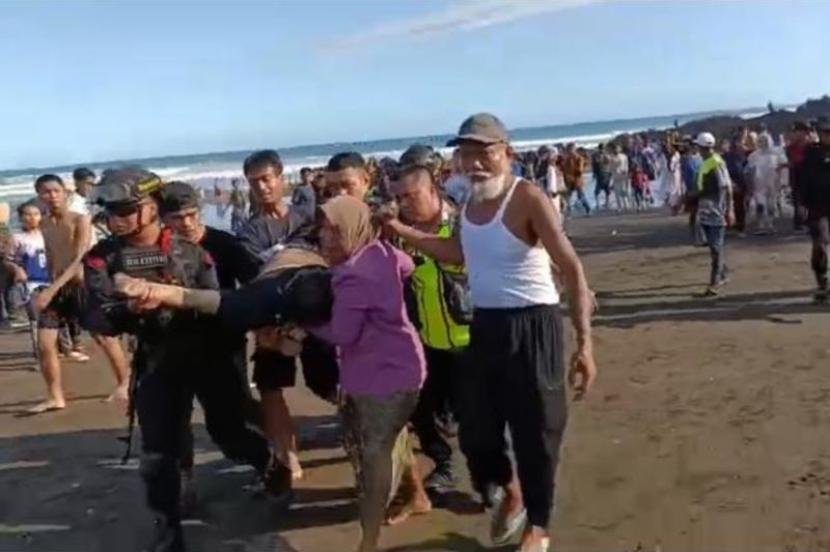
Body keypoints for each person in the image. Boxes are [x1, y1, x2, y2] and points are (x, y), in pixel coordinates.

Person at [384, 113, 597, 552]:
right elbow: (456, 253)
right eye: (466, 153)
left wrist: (584, 344)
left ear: (507, 153)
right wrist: (401, 230)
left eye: (485, 152)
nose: (475, 162)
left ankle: (538, 526)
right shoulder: (470, 204)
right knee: (477, 430)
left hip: (534, 324)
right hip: (486, 325)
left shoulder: (528, 199)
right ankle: (509, 491)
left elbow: (572, 270)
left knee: (536, 432)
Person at [83, 169, 283, 552]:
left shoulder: (191, 251)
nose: (117, 217)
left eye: (127, 208)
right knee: (159, 453)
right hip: (158, 362)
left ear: (151, 207)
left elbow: (219, 304)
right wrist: (130, 311)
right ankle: (168, 526)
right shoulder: (102, 258)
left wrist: (173, 296)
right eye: (111, 209)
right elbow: (96, 318)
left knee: (230, 434)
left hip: (211, 356)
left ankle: (271, 466)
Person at [157, 181, 282, 509]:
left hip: (220, 344)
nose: (186, 223)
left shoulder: (223, 244)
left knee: (229, 424)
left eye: (191, 214)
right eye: (177, 217)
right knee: (170, 420)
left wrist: (262, 324)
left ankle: (272, 456)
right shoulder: (152, 251)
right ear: (163, 219)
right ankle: (183, 481)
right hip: (167, 347)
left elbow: (255, 284)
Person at [391, 145, 471, 498]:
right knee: (422, 412)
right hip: (424, 340)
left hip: (470, 338)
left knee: (477, 417)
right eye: (400, 198)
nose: (406, 203)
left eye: (413, 195)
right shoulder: (398, 235)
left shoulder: (461, 223)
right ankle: (444, 466)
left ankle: (495, 479)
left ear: (434, 188)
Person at [237, 149, 316, 482]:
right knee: (270, 388)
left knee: (332, 383)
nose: (262, 188)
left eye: (267, 179)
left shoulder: (308, 217)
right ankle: (288, 456)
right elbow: (256, 277)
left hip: (316, 317)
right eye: (254, 182)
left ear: (282, 178)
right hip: (272, 319)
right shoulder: (249, 232)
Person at [29, 174, 129, 413]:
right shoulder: (43, 224)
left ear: (65, 192)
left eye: (55, 190)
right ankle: (56, 396)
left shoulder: (80, 220)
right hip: (57, 289)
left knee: (104, 338)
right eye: (45, 192)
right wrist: (47, 286)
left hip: (81, 286)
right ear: (39, 195)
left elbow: (78, 259)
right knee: (45, 343)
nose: (51, 196)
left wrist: (51, 289)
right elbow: (53, 257)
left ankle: (124, 383)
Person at [6, 201, 50, 365]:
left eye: (36, 214)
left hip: (52, 281)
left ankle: (63, 349)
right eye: (27, 214)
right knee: (36, 320)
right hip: (31, 283)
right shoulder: (17, 238)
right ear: (21, 217)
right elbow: (8, 260)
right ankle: (40, 356)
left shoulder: (47, 234)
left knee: (58, 318)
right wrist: (17, 270)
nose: (32, 218)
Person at [693, 133, 735, 297]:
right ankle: (723, 274)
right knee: (713, 245)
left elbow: (726, 187)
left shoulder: (716, 164)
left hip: (716, 211)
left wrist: (729, 210)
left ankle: (715, 282)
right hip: (706, 209)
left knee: (716, 247)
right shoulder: (707, 162)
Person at [799, 119, 830, 304]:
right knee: (820, 243)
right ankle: (822, 283)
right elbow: (803, 179)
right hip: (817, 206)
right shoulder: (812, 153)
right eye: (825, 133)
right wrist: (800, 203)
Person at [745, 133, 783, 235]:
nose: (763, 143)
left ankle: (770, 224)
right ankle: (760, 225)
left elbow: (781, 168)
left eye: (765, 140)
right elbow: (749, 170)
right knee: (760, 205)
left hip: (772, 183)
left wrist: (780, 182)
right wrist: (750, 184)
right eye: (761, 141)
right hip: (759, 185)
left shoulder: (776, 154)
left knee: (771, 205)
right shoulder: (753, 155)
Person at [785, 121, 813, 231]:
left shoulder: (811, 145)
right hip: (797, 173)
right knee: (798, 198)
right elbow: (793, 159)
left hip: (809, 173)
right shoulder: (791, 147)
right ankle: (799, 221)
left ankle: (809, 220)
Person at [722, 139, 748, 234]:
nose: (738, 149)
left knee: (740, 206)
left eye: (739, 147)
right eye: (735, 147)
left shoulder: (742, 158)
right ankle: (729, 225)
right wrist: (731, 183)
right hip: (729, 184)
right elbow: (724, 172)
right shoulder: (725, 158)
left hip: (741, 185)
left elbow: (746, 171)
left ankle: (740, 226)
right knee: (728, 205)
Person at [561, 143, 590, 215]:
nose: (569, 151)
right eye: (568, 150)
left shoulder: (579, 158)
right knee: (568, 197)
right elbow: (564, 169)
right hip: (569, 180)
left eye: (570, 149)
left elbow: (580, 170)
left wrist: (572, 173)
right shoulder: (567, 159)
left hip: (577, 180)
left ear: (574, 149)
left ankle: (588, 209)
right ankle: (568, 212)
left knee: (580, 196)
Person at [610, 144, 631, 211]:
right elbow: (611, 167)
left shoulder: (624, 156)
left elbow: (626, 165)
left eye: (617, 148)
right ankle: (619, 206)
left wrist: (626, 171)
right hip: (615, 176)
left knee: (624, 190)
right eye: (615, 149)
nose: (616, 150)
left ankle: (626, 204)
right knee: (617, 192)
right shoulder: (612, 157)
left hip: (623, 175)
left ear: (620, 149)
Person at [591, 144, 612, 210]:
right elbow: (594, 165)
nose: (602, 150)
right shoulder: (598, 155)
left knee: (604, 189)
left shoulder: (601, 155)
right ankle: (601, 203)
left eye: (602, 148)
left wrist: (594, 174)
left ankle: (604, 203)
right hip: (603, 173)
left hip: (604, 173)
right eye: (601, 148)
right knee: (603, 189)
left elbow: (595, 165)